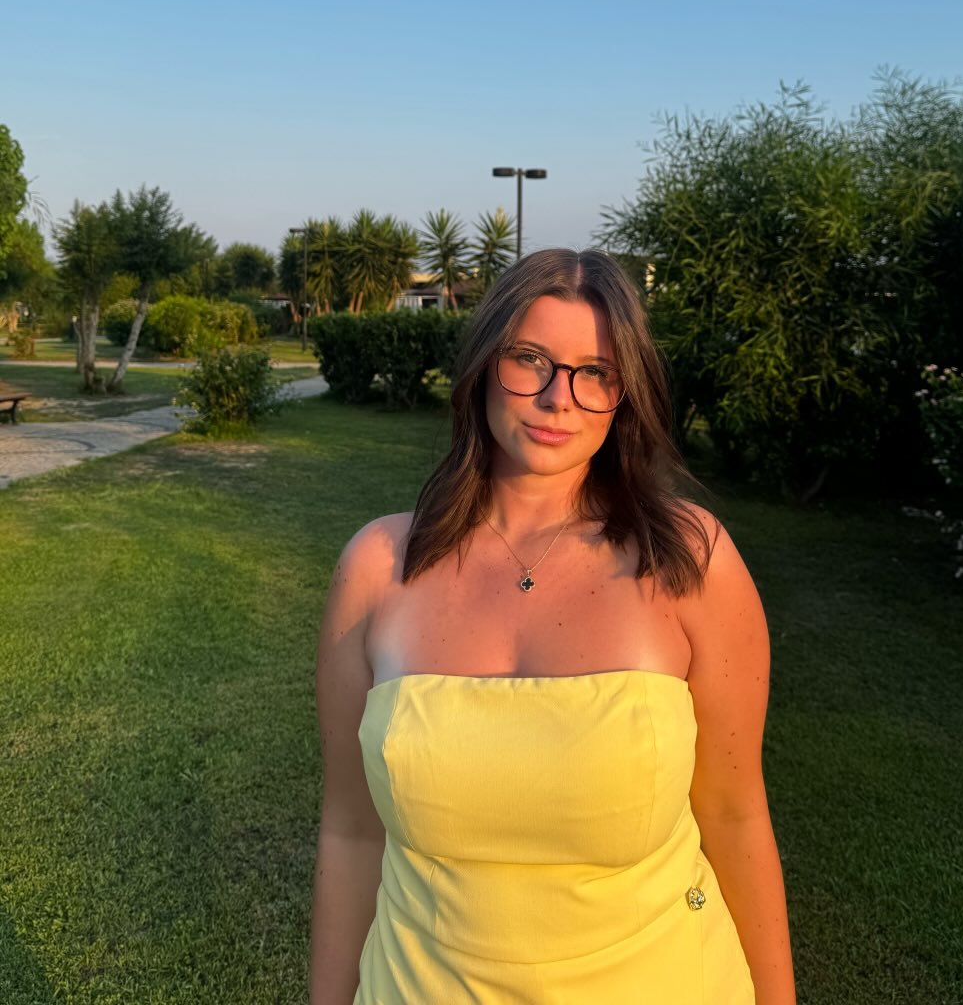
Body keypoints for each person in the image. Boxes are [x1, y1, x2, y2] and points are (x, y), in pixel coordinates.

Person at [310, 248, 796, 1004]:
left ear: (624, 394)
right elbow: (351, 833)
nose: (556, 398)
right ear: (483, 366)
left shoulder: (688, 559)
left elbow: (735, 816)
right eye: (529, 359)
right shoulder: (378, 568)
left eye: (594, 372)